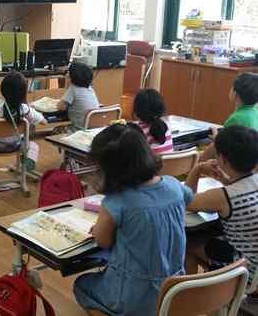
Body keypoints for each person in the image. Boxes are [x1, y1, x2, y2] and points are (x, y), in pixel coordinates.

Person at [74, 123, 192, 315]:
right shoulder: (173, 186)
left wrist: (97, 227)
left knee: (82, 285)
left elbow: (102, 241)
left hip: (133, 296)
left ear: (108, 169)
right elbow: (190, 197)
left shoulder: (116, 202)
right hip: (173, 291)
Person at [185, 126, 258, 313]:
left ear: (222, 159)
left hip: (243, 270)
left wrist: (198, 169)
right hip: (256, 267)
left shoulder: (222, 196)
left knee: (188, 245)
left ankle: (195, 302)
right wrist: (228, 183)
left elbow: (186, 201)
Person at [0, 71, 47, 171]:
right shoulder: (24, 108)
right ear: (23, 92)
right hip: (17, 146)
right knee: (33, 145)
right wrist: (29, 107)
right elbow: (44, 122)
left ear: (2, 89)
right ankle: (24, 165)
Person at [201, 72, 258, 161]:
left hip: (236, 164)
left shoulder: (236, 118)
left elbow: (220, 145)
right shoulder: (255, 112)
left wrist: (198, 161)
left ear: (235, 93)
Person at [57, 62, 100, 130]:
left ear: (72, 76)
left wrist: (68, 85)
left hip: (78, 129)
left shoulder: (73, 89)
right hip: (92, 128)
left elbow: (60, 107)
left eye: (68, 72)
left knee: (56, 130)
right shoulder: (90, 88)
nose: (66, 74)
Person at [133, 88, 173, 154]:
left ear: (137, 110)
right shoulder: (166, 126)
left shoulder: (138, 131)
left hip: (151, 163)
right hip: (169, 164)